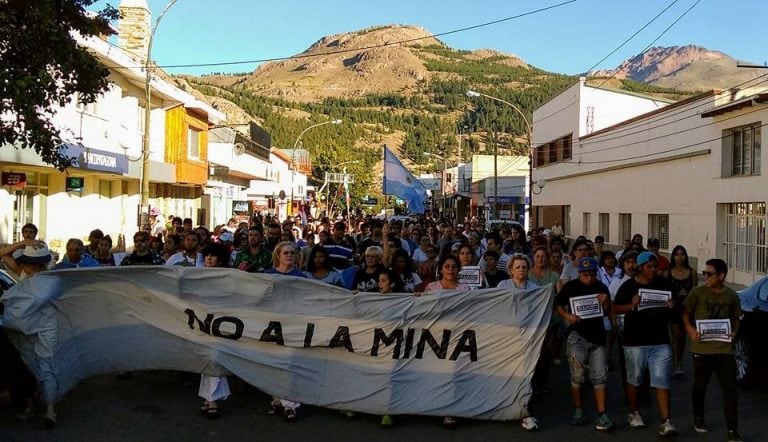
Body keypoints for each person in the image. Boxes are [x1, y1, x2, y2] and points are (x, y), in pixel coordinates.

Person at [613, 252, 678, 436]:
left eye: (655, 266)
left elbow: (675, 302)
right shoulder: (629, 286)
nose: (654, 270)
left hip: (660, 340)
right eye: (649, 267)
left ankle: (666, 421)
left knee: (661, 379)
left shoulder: (663, 284)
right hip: (635, 341)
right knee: (635, 378)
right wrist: (631, 305)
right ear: (641, 268)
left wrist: (673, 304)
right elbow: (616, 308)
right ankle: (634, 412)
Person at [683, 258, 742, 442]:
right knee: (700, 386)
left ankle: (732, 429)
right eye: (704, 273)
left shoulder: (731, 295)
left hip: (724, 348)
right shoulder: (697, 292)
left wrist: (734, 333)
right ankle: (699, 417)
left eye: (710, 273)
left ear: (721, 275)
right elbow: (685, 311)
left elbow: (736, 317)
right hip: (702, 348)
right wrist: (691, 330)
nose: (705, 276)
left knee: (730, 389)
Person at [1, 242, 59, 427]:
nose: (27, 267)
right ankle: (30, 406)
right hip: (24, 327)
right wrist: (25, 242)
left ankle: (50, 411)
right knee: (28, 365)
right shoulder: (24, 273)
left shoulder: (51, 279)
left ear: (39, 264)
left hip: (45, 327)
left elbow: (37, 299)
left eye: (31, 263)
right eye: (25, 263)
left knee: (46, 367)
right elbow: (2, 253)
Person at [555, 257, 614, 431]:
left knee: (599, 376)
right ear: (580, 273)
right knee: (577, 375)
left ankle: (602, 413)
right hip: (577, 336)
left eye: (592, 274)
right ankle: (579, 409)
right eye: (586, 275)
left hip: (597, 337)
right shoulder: (571, 287)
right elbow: (558, 304)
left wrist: (607, 302)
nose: (590, 278)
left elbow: (607, 312)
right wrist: (567, 317)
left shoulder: (601, 288)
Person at [265, 241, 307, 421]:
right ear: (278, 256)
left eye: (292, 253)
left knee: (291, 363)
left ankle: (290, 404)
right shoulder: (267, 276)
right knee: (273, 363)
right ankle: (276, 399)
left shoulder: (302, 277)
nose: (289, 255)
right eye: (286, 253)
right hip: (272, 324)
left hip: (294, 325)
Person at [197, 242, 232, 419]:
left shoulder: (227, 277)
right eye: (207, 255)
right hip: (202, 323)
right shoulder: (196, 276)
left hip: (221, 323)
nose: (209, 258)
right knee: (208, 359)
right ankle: (209, 397)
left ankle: (211, 400)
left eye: (213, 255)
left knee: (215, 357)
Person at [667, 245, 698, 378]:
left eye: (682, 254)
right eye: (677, 254)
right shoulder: (667, 272)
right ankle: (676, 364)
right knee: (676, 336)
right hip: (674, 308)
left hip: (688, 308)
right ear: (673, 256)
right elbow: (664, 291)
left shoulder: (692, 272)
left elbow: (695, 290)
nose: (680, 257)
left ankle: (679, 360)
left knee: (684, 337)